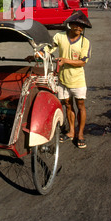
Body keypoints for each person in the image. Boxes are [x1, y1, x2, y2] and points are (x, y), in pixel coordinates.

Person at [41, 10, 92, 149]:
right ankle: (71, 131)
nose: (79, 28)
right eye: (76, 25)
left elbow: (82, 62)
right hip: (62, 79)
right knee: (68, 105)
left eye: (82, 26)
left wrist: (65, 60)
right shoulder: (60, 36)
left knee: (80, 105)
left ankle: (80, 134)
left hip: (77, 80)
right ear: (71, 24)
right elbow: (49, 48)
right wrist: (39, 53)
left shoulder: (85, 42)